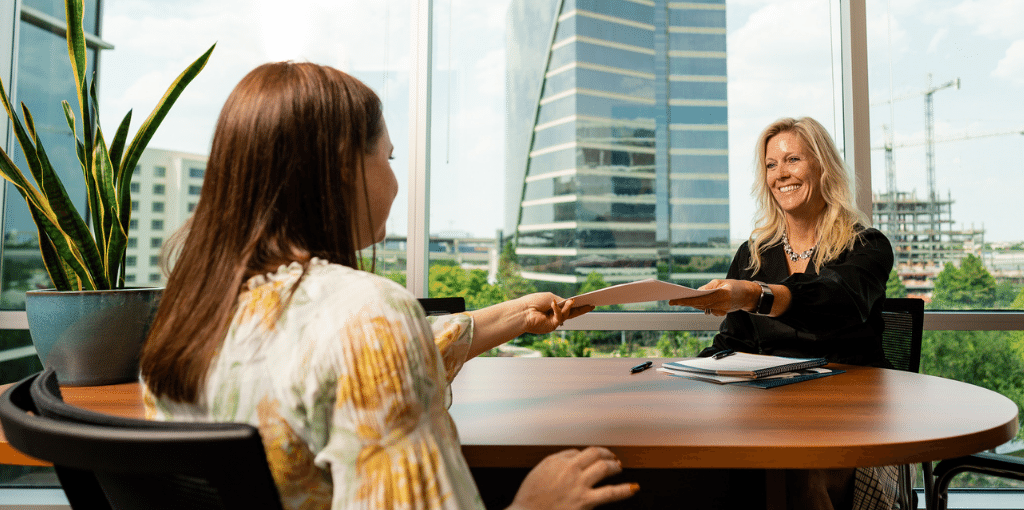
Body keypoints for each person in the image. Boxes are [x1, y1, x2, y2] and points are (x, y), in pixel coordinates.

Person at [139, 62, 637, 510]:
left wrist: (512, 317)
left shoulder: (191, 314)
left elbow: (332, 369)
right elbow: (361, 352)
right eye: (390, 159)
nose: (396, 183)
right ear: (341, 165)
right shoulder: (367, 314)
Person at [669, 117, 896, 510]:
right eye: (771, 165)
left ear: (824, 166)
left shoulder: (867, 246)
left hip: (850, 416)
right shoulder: (753, 255)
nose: (781, 174)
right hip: (767, 413)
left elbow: (835, 298)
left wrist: (757, 295)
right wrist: (685, 378)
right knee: (689, 465)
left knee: (798, 472)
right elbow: (733, 342)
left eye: (793, 160)